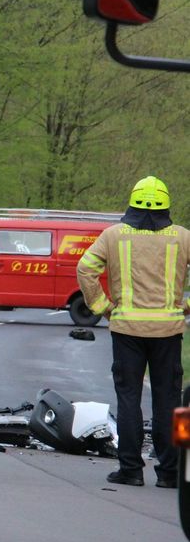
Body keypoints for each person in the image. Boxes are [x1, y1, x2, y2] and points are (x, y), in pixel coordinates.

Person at [77, 176, 190, 489]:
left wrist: (103, 306)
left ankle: (130, 469)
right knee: (169, 401)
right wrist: (186, 304)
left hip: (126, 329)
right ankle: (169, 472)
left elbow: (85, 269)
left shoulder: (113, 236)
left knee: (129, 399)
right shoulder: (182, 237)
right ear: (166, 206)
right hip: (168, 331)